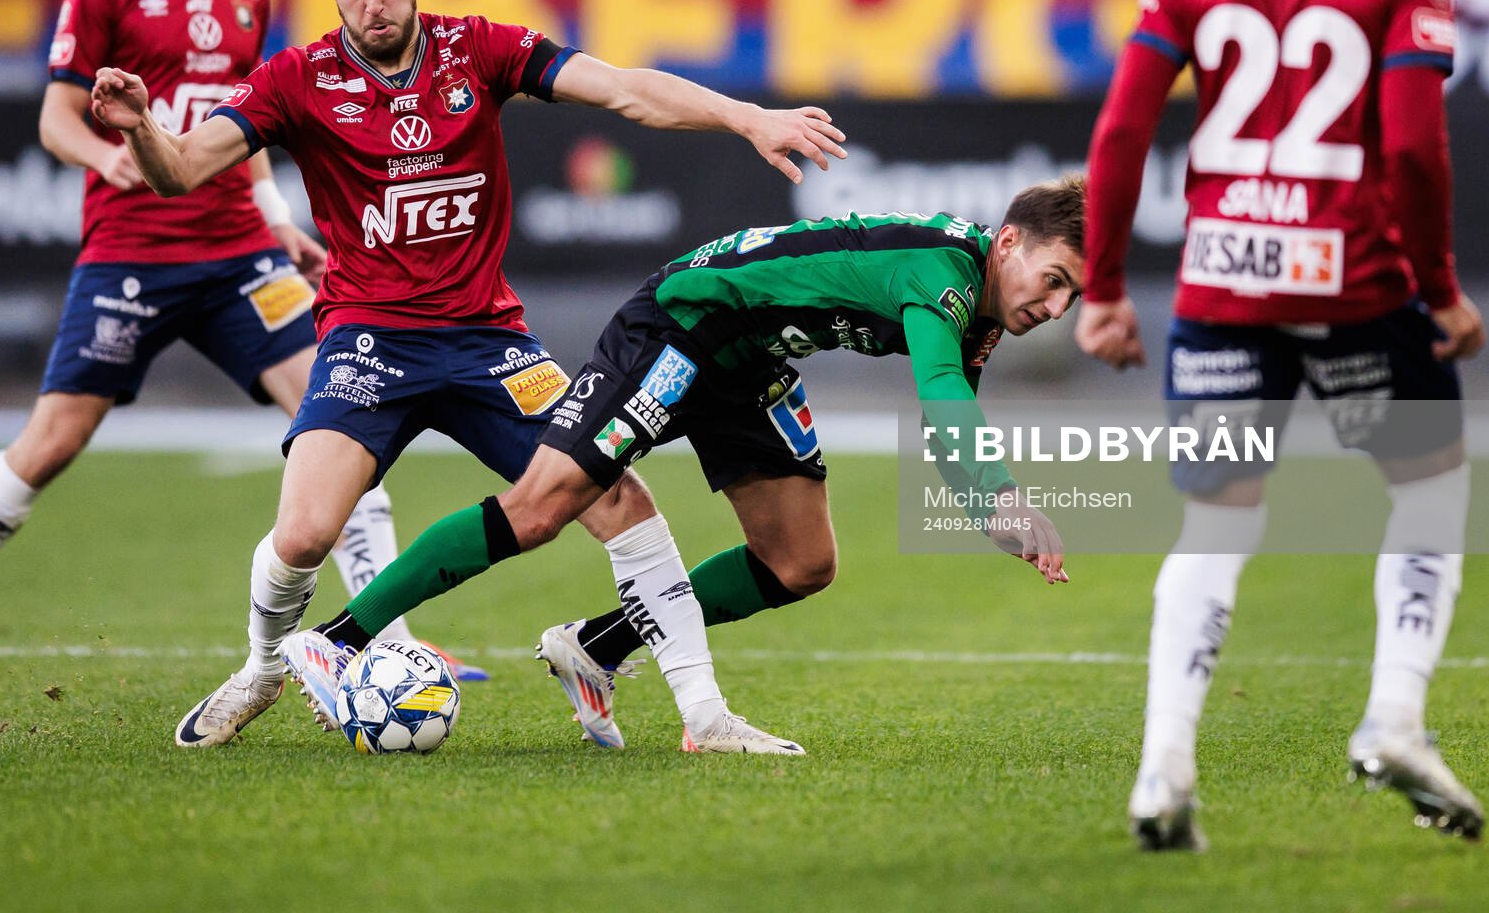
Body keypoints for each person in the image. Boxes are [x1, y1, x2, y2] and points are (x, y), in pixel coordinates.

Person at [89, 0, 849, 752]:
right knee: (302, 533)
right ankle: (266, 666)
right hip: (367, 342)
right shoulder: (296, 79)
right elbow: (181, 170)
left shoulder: (476, 48)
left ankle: (705, 718)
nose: (372, 4)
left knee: (622, 501)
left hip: (491, 342)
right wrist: (145, 126)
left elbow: (625, 91)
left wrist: (745, 115)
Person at [0, 0, 419, 697]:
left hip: (242, 253)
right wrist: (108, 158)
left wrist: (277, 215)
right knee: (53, 440)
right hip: (132, 249)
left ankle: (393, 643)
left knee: (344, 420)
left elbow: (244, 129)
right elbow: (57, 117)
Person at [1076, 0, 1487, 850]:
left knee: (1216, 518)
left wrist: (1106, 287)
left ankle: (1164, 767)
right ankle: (1396, 713)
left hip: (1223, 282)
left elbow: (1120, 131)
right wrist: (1440, 289)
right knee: (1429, 488)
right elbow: (1412, 148)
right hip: (1356, 282)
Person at [281, 186, 1082, 755]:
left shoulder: (978, 309)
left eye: (1070, 297)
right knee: (543, 508)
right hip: (687, 322)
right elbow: (940, 396)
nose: (1054, 307)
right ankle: (338, 641)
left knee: (801, 561)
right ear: (1009, 242)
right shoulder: (945, 273)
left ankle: (597, 644)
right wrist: (1002, 499)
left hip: (750, 360)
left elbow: (948, 424)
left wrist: (990, 513)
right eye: (1053, 280)